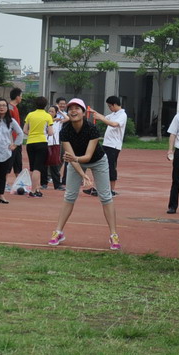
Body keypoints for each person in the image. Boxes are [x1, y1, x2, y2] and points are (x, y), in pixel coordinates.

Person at [47, 98, 121, 250]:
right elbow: (71, 157)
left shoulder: (91, 129)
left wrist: (77, 162)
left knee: (106, 196)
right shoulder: (65, 130)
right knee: (69, 196)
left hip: (97, 160)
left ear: (83, 112)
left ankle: (114, 234)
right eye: (70, 109)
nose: (73, 111)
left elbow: (87, 156)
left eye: (77, 108)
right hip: (75, 161)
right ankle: (58, 231)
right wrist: (83, 174)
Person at [91, 95, 126, 195]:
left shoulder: (122, 115)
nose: (109, 108)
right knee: (101, 165)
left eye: (110, 106)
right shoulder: (114, 114)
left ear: (115, 105)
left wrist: (100, 118)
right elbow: (104, 117)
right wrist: (95, 113)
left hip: (114, 146)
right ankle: (99, 188)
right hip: (107, 144)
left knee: (111, 166)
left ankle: (112, 190)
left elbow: (114, 124)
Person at [21, 97, 53, 197]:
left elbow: (25, 130)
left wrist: (32, 133)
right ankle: (33, 190)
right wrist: (45, 132)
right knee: (38, 168)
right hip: (42, 142)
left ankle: (37, 188)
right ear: (45, 105)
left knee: (33, 167)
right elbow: (51, 132)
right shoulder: (48, 116)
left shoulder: (30, 115)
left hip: (30, 143)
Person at [8, 88, 25, 188]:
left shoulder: (15, 108)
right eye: (21, 96)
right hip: (11, 141)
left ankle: (20, 184)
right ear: (17, 97)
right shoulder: (9, 108)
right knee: (9, 162)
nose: (21, 98)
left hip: (17, 140)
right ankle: (4, 183)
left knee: (18, 162)